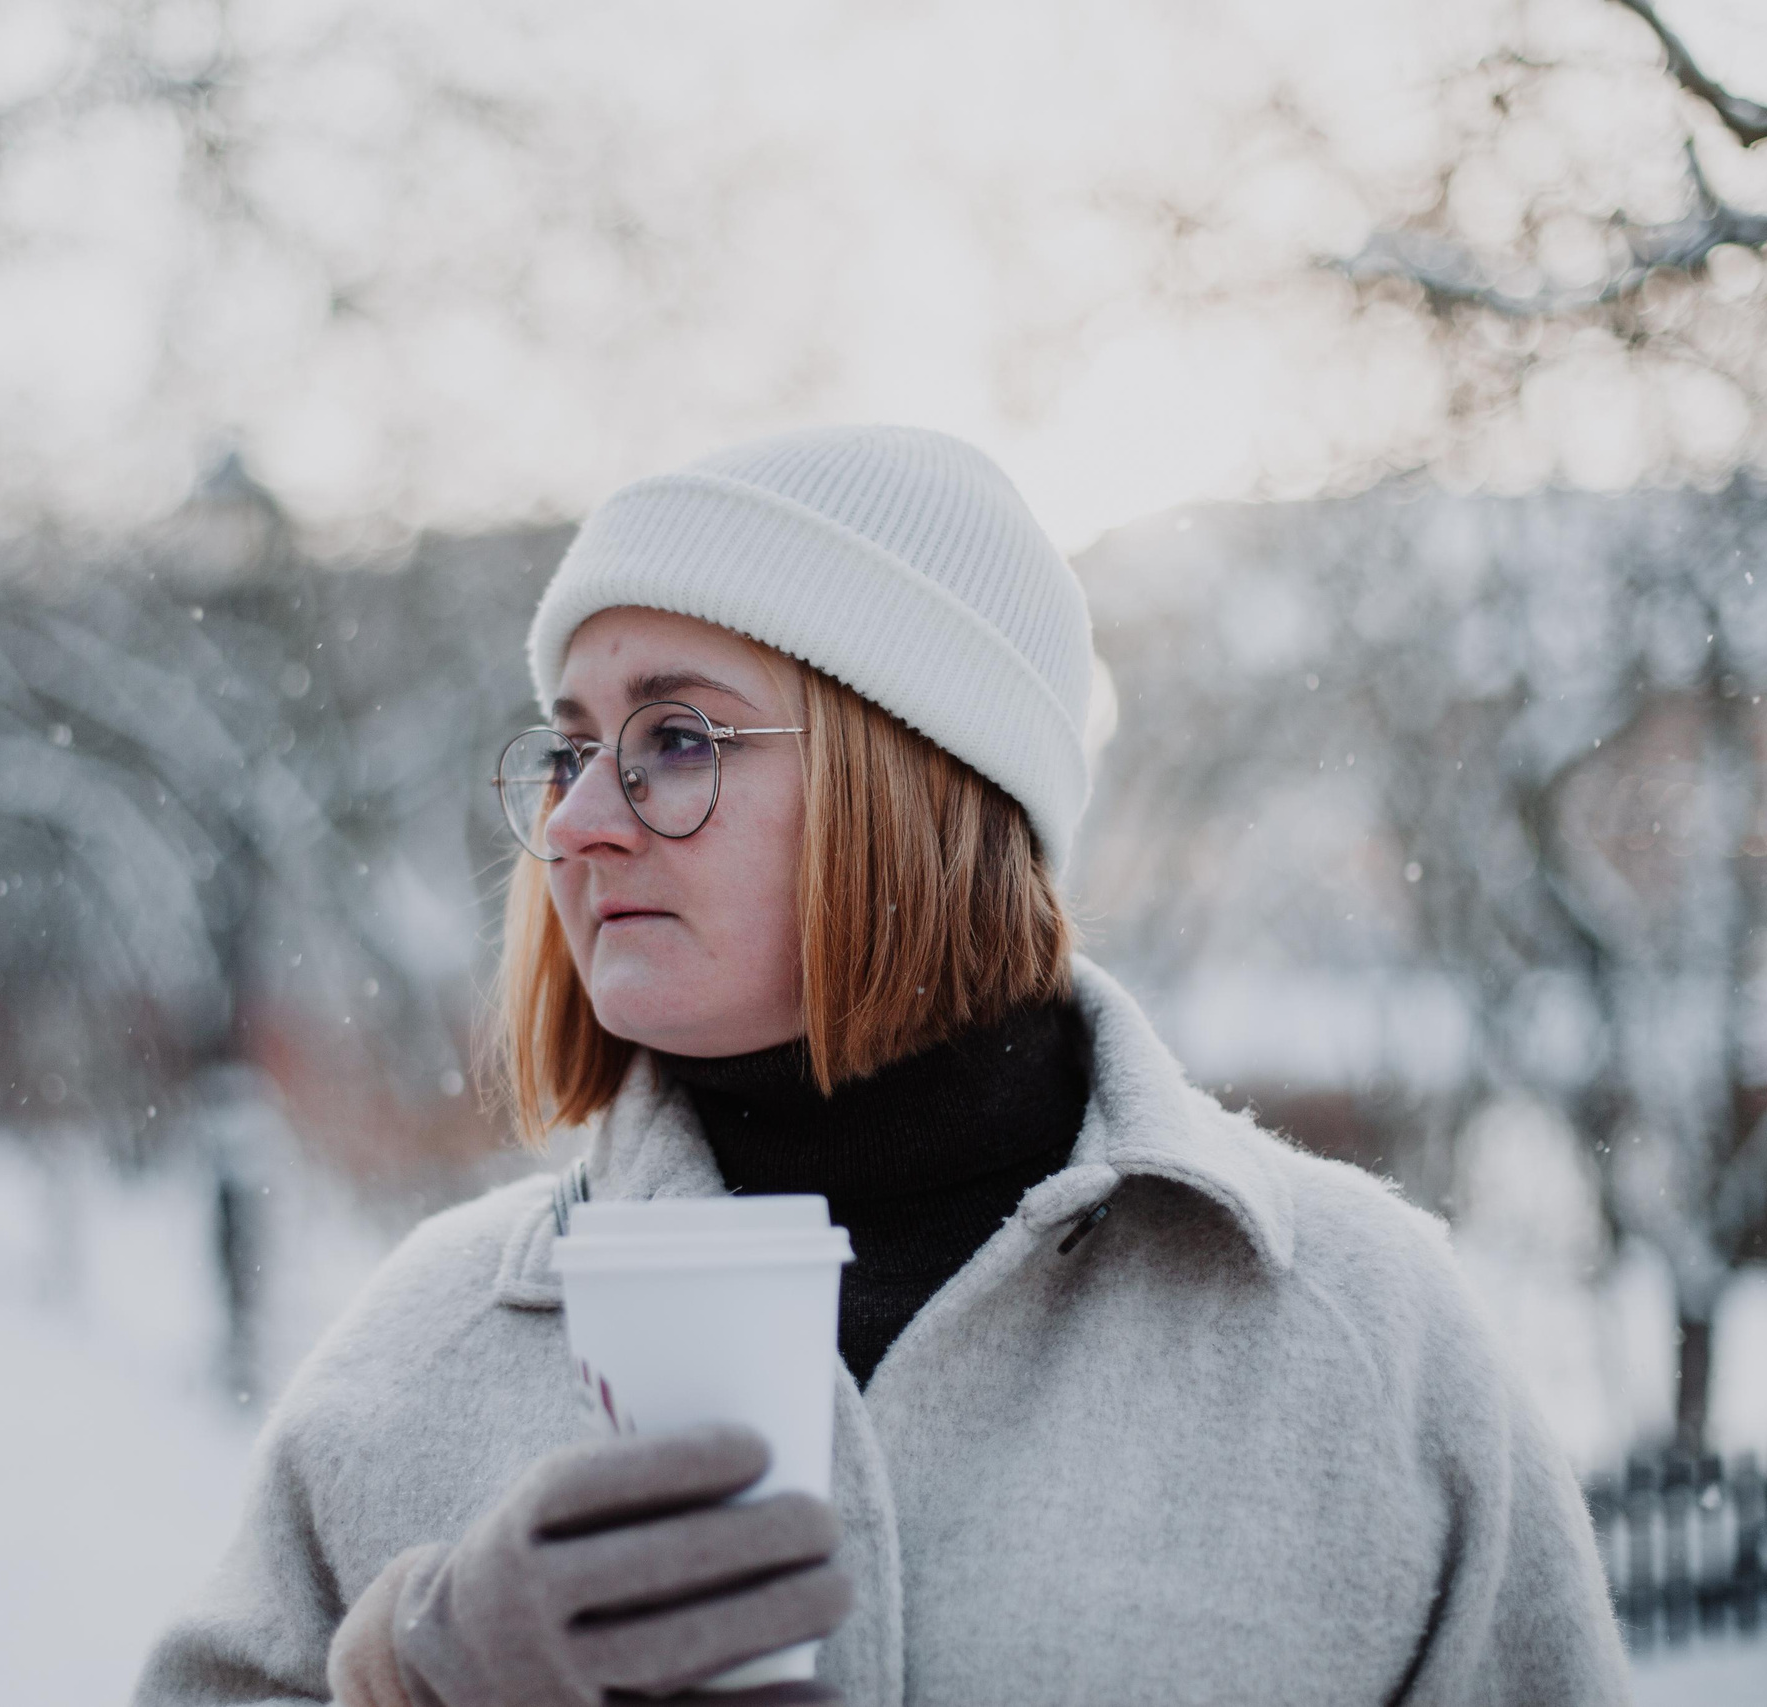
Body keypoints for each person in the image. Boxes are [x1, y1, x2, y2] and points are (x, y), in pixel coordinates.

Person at [132, 424, 1632, 1706]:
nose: (581, 821)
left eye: (674, 739)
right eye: (572, 748)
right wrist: (420, 1685)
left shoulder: (1351, 1335)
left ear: (915, 779)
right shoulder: (426, 1355)